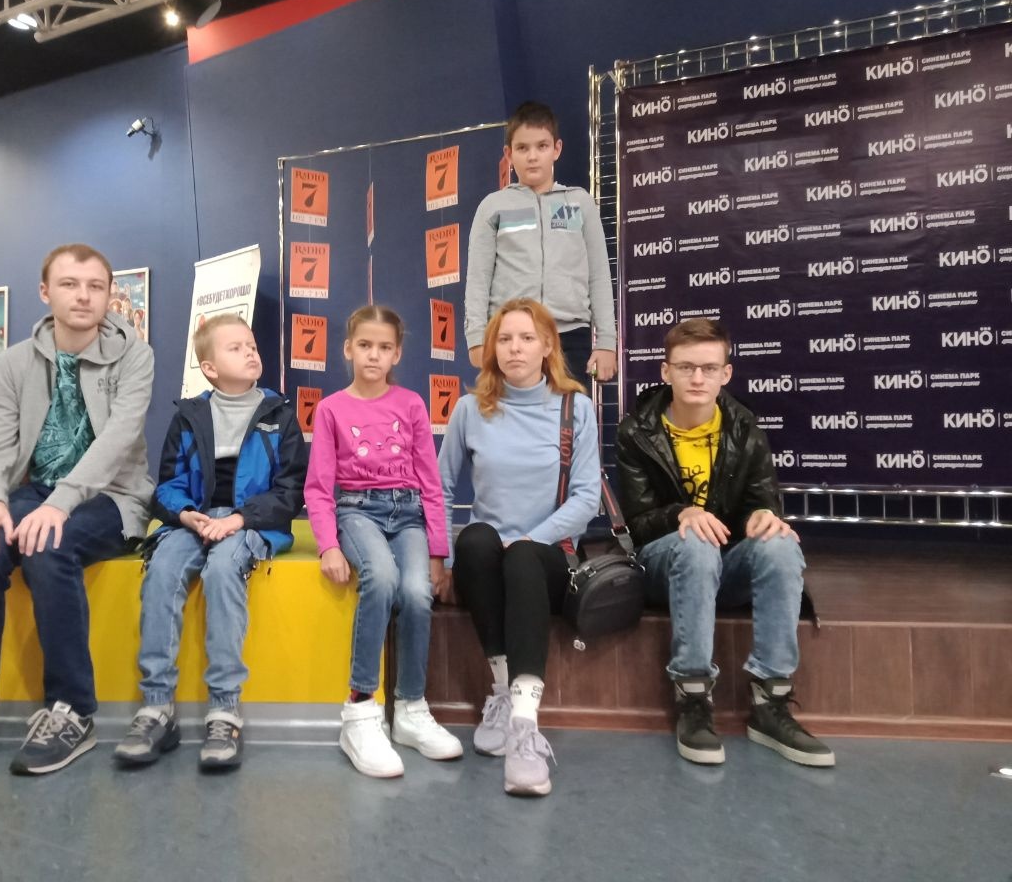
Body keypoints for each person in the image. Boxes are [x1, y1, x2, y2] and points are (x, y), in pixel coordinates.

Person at [0, 243, 155, 776]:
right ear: (45, 292)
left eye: (95, 286)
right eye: (69, 284)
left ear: (109, 295)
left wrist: (60, 505)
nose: (83, 296)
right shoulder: (13, 362)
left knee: (49, 546)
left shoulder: (135, 355)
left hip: (112, 497)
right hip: (34, 492)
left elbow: (118, 442)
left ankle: (72, 711)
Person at [615, 318, 834, 768]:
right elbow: (638, 525)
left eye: (709, 368)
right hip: (663, 564)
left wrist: (764, 515)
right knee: (695, 540)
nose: (698, 378)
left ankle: (771, 702)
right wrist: (681, 513)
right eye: (686, 367)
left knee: (780, 545)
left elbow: (762, 500)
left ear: (726, 374)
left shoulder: (744, 427)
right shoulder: (636, 431)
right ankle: (693, 696)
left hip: (725, 562)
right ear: (665, 371)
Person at [116, 313, 306, 771]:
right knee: (163, 570)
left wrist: (240, 519)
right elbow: (168, 484)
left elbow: (290, 490)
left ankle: (224, 710)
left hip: (250, 524)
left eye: (251, 345)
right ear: (210, 368)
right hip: (194, 521)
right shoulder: (189, 416)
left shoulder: (280, 414)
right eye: (235, 348)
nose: (250, 352)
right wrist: (185, 514)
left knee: (223, 570)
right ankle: (157, 707)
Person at [439, 297, 600, 797]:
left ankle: (526, 726)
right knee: (476, 540)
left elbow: (587, 497)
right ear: (491, 348)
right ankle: (502, 692)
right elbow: (439, 489)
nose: (515, 348)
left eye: (527, 338)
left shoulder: (575, 407)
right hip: (488, 561)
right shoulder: (470, 409)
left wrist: (531, 538)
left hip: (548, 557)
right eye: (504, 339)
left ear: (548, 346)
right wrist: (441, 560)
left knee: (524, 557)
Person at [305, 305, 463, 778]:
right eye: (365, 345)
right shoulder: (331, 409)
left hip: (408, 512)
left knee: (416, 591)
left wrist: (439, 552)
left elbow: (431, 483)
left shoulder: (412, 404)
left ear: (397, 354)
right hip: (357, 510)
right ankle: (360, 709)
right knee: (382, 577)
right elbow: (319, 488)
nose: (373, 355)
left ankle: (410, 707)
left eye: (384, 347)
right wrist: (328, 545)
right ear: (348, 349)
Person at [464, 100, 617, 385]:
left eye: (542, 146)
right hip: (510, 337)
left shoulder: (579, 202)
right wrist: (476, 337)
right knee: (508, 414)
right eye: (522, 148)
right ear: (508, 154)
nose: (532, 156)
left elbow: (599, 274)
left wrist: (607, 341)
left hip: (570, 337)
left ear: (556, 149)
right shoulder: (493, 206)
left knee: (568, 415)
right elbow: (478, 278)